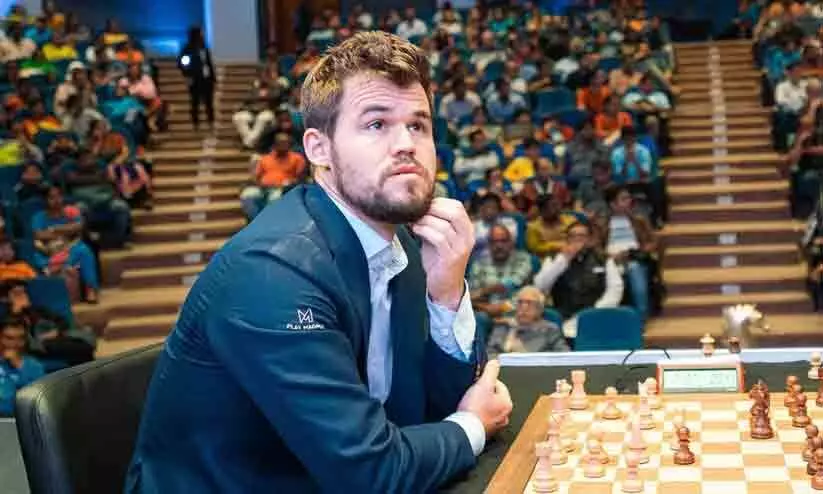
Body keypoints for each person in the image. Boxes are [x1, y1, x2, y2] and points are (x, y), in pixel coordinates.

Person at [127, 31, 512, 493]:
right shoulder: (273, 273)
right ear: (318, 149)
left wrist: (446, 293)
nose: (406, 144)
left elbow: (435, 411)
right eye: (377, 124)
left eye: (419, 125)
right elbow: (371, 475)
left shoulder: (404, 248)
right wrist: (472, 426)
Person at [533, 222, 623, 340]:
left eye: (581, 236)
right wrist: (563, 260)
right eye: (572, 236)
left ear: (589, 240)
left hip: (595, 315)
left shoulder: (603, 259)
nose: (577, 240)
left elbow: (615, 289)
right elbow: (539, 286)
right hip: (563, 318)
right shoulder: (554, 258)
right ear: (567, 239)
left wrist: (595, 312)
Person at [486, 286, 569, 357]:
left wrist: (524, 354)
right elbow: (489, 354)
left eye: (529, 303)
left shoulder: (550, 329)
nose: (524, 307)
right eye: (520, 302)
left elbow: (564, 357)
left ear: (540, 308)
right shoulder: (504, 326)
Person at [0, 316, 44, 417]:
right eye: (9, 338)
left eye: (20, 338)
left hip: (18, 420)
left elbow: (35, 402)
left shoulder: (34, 367)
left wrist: (19, 367)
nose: (15, 344)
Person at [178, 26, 216, 131]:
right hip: (195, 79)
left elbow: (208, 63)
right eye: (201, 33)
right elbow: (183, 63)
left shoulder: (204, 47)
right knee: (195, 102)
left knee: (209, 102)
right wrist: (188, 74)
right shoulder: (188, 49)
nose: (203, 35)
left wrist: (213, 77)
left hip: (207, 79)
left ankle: (211, 122)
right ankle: (196, 123)